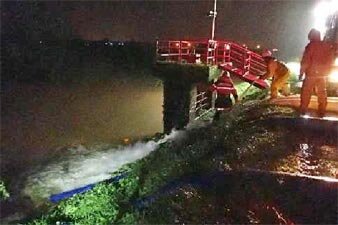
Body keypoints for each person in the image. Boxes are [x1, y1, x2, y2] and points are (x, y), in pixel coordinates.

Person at [299, 28, 335, 117]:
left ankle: (303, 110)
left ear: (311, 36)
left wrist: (301, 73)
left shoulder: (311, 46)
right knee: (322, 93)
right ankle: (322, 111)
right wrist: (328, 70)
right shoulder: (326, 45)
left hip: (311, 74)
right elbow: (331, 59)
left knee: (306, 92)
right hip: (323, 74)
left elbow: (306, 60)